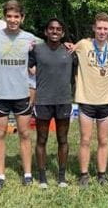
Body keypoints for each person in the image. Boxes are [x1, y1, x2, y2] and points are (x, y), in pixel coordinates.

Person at [0, 0, 37, 191]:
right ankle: (0, 175)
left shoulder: (30, 38)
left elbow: (46, 52)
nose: (12, 20)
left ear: (22, 18)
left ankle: (27, 174)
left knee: (25, 134)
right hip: (1, 94)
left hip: (22, 94)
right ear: (4, 17)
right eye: (9, 16)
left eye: (16, 16)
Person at [73, 12, 108, 187]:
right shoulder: (83, 44)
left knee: (104, 140)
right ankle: (84, 174)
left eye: (105, 29)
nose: (102, 31)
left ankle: (102, 174)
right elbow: (66, 49)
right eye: (99, 28)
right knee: (85, 139)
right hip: (86, 100)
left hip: (106, 101)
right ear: (94, 28)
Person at [28, 18, 77, 188]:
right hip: (43, 101)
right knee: (42, 139)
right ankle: (42, 178)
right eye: (51, 28)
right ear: (46, 31)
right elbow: (24, 67)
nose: (55, 31)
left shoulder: (70, 51)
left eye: (58, 29)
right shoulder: (37, 50)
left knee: (62, 139)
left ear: (63, 33)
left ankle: (61, 177)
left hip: (63, 101)